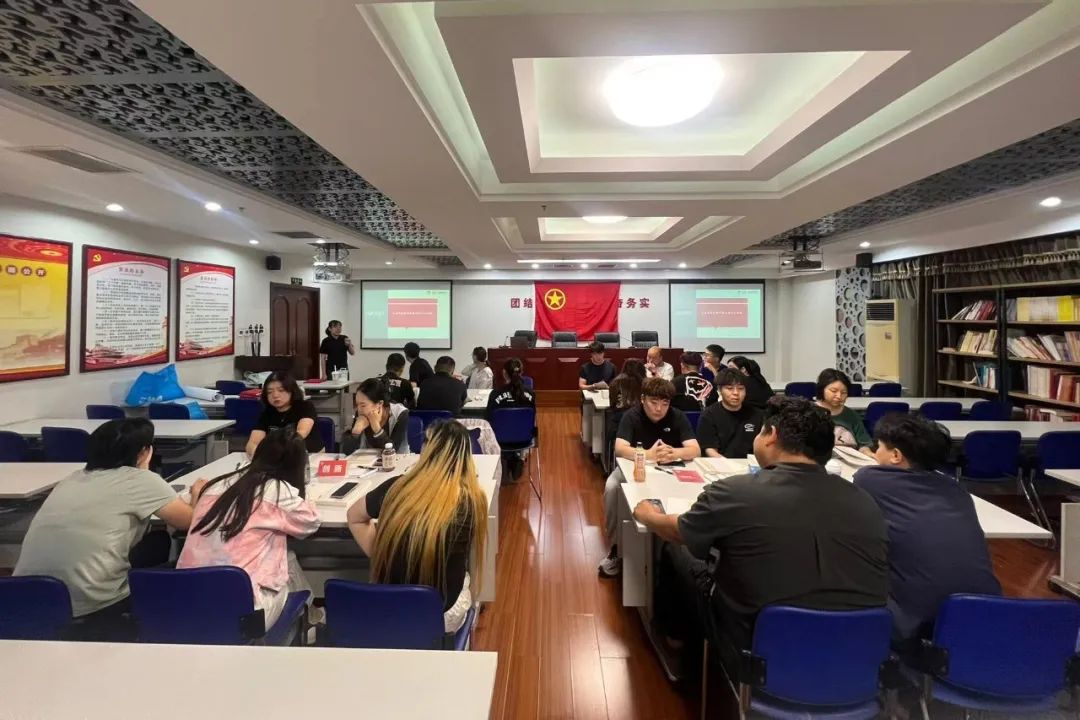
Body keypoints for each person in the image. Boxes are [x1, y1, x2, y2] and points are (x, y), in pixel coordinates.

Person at [633, 396, 888, 677]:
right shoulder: (865, 501)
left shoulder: (734, 492)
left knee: (678, 549)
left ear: (772, 436)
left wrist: (648, 514)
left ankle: (677, 645)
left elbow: (678, 530)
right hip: (858, 654)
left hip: (757, 646)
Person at [14, 418, 207, 640]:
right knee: (165, 545)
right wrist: (197, 493)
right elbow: (190, 521)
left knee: (157, 541)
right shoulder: (142, 480)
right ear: (144, 452)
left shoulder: (72, 478)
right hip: (94, 604)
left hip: (24, 596)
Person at [854, 413, 1000, 645]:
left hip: (917, 621)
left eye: (878, 447)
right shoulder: (955, 489)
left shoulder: (869, 479)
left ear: (895, 456)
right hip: (987, 612)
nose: (875, 453)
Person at [346, 420, 488, 633]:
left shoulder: (396, 486)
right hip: (440, 615)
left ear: (426, 449)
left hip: (388, 607)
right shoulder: (472, 500)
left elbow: (354, 517)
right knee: (466, 577)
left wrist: (379, 554)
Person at [178, 428, 321, 627]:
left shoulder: (217, 484)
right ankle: (312, 620)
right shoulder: (277, 491)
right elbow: (310, 523)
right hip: (241, 612)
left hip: (186, 600)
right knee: (286, 563)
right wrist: (307, 497)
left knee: (286, 556)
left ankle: (313, 616)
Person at [599, 378, 701, 577]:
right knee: (611, 486)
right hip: (633, 467)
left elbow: (695, 449)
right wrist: (648, 454)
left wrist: (675, 453)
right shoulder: (631, 416)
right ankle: (616, 548)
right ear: (643, 399)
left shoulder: (677, 416)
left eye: (665, 403)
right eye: (654, 402)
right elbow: (620, 448)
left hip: (669, 469)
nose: (659, 408)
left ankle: (673, 550)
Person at [246, 372, 323, 455]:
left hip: (311, 454)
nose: (275, 395)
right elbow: (253, 443)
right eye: (269, 392)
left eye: (281, 390)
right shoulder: (266, 413)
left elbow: (301, 433)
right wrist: (257, 455)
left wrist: (275, 452)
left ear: (292, 391)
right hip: (276, 457)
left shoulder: (305, 407)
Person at [696, 368, 764, 458]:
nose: (736, 393)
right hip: (720, 462)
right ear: (719, 390)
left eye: (740, 388)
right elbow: (710, 449)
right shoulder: (709, 414)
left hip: (750, 463)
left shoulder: (757, 415)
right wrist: (726, 463)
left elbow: (763, 446)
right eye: (730, 388)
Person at [487, 358, 537, 481]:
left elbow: (488, 417)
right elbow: (533, 418)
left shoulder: (495, 394)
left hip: (500, 439)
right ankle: (518, 458)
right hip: (524, 439)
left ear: (504, 373)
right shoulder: (530, 393)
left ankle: (506, 458)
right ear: (521, 372)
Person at [341, 377, 411, 455]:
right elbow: (347, 452)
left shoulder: (400, 414)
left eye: (363, 405)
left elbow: (393, 450)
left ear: (380, 404)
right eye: (357, 405)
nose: (359, 410)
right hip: (367, 461)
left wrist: (377, 429)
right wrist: (356, 431)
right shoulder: (361, 413)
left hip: (398, 460)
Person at [815, 368, 873, 456]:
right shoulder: (809, 413)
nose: (839, 396)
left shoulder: (852, 416)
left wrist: (868, 453)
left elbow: (864, 445)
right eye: (833, 391)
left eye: (844, 392)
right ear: (822, 389)